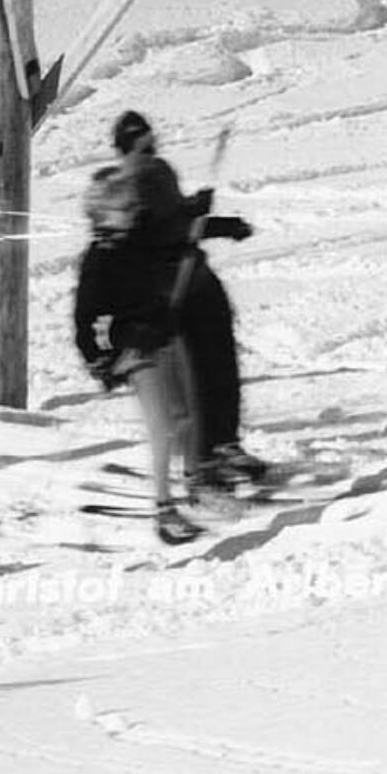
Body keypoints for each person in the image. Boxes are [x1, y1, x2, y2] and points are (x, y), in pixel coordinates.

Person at [110, 110, 272, 493]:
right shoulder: (132, 181)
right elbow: (163, 230)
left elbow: (178, 220)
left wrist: (197, 211)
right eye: (141, 142)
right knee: (196, 373)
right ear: (128, 146)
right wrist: (204, 219)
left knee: (217, 363)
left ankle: (222, 444)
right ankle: (204, 455)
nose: (150, 147)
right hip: (172, 288)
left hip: (192, 281)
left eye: (150, 139)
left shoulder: (155, 172)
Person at [73, 162, 205, 541]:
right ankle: (164, 509)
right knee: (163, 426)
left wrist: (197, 216)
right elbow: (84, 319)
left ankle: (195, 483)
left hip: (164, 333)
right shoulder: (98, 259)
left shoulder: (137, 239)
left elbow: (173, 239)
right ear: (102, 213)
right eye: (126, 208)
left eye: (134, 206)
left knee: (186, 415)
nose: (134, 213)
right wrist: (99, 359)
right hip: (136, 347)